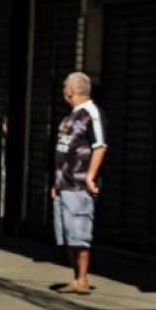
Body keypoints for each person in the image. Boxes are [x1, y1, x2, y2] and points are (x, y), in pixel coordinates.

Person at [50, 71, 107, 295]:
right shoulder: (71, 116)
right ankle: (75, 277)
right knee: (67, 234)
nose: (63, 91)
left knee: (79, 233)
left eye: (65, 87)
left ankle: (82, 278)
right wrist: (55, 183)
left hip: (79, 184)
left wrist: (91, 177)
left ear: (72, 90)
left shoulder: (91, 113)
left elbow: (100, 146)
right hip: (64, 183)